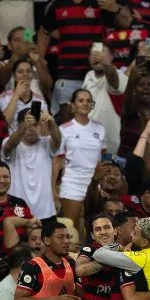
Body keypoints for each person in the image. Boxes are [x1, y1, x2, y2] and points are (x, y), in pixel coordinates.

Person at [56, 89, 106, 230]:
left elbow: (102, 158)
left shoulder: (100, 128)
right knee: (72, 229)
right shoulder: (64, 129)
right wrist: (53, 191)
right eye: (81, 100)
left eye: (88, 101)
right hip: (73, 182)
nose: (85, 103)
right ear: (73, 105)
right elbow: (57, 161)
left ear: (92, 105)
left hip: (94, 182)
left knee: (95, 227)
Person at [3, 111, 62, 221]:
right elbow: (8, 146)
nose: (32, 128)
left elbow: (58, 139)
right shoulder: (10, 141)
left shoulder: (47, 143)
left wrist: (52, 122)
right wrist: (24, 127)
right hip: (18, 213)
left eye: (35, 125)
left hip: (46, 212)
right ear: (19, 126)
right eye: (28, 125)